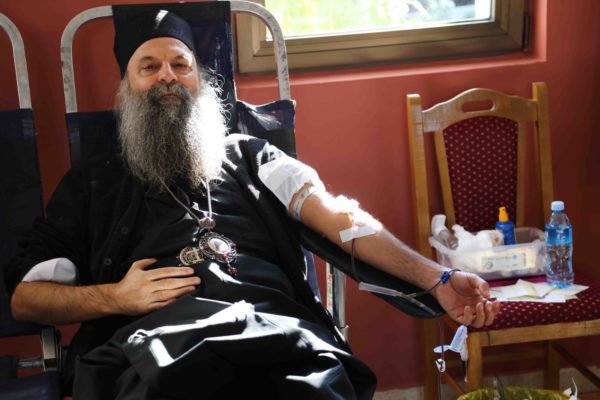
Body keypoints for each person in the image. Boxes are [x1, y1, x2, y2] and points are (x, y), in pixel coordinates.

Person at [6, 9, 500, 400]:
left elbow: (341, 218)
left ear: (201, 80)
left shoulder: (253, 155)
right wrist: (116, 298)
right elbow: (27, 298)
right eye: (149, 67)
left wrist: (438, 278)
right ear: (127, 88)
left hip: (274, 333)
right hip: (155, 348)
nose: (167, 77)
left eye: (181, 64)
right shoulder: (94, 181)